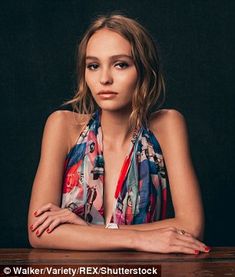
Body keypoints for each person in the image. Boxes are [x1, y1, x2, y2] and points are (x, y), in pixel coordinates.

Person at [28, 13, 210, 254]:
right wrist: (139, 239)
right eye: (93, 66)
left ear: (144, 70)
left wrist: (88, 231)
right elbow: (38, 231)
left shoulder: (167, 125)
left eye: (120, 64)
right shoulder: (62, 126)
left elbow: (191, 226)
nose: (104, 78)